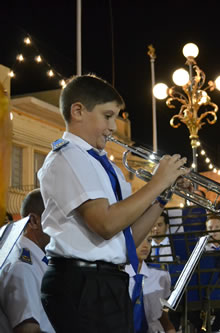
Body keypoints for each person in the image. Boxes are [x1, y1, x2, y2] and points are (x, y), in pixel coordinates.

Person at [38, 74, 188, 333]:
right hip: (82, 283)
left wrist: (162, 197)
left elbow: (127, 238)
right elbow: (105, 224)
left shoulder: (105, 165)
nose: (114, 127)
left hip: (107, 280)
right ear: (78, 111)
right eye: (108, 116)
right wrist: (157, 183)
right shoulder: (68, 156)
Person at [0, 189, 54, 333]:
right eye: (56, 218)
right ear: (34, 221)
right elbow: (28, 330)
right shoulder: (23, 267)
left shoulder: (35, 258)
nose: (63, 227)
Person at [125, 235, 176, 333]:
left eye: (149, 240)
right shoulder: (118, 277)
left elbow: (163, 312)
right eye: (140, 240)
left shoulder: (161, 274)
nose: (146, 246)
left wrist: (169, 328)